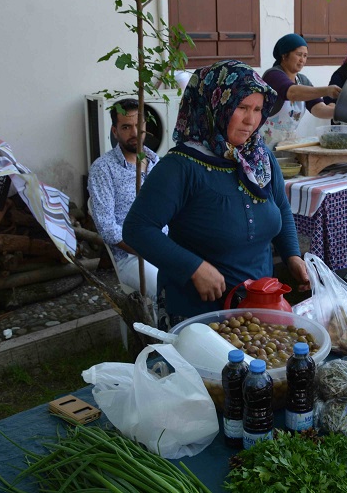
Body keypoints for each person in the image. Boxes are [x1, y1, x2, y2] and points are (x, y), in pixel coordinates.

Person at [123, 60, 309, 330]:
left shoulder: (260, 157)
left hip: (258, 307)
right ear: (214, 107)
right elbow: (137, 228)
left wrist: (292, 256)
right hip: (198, 315)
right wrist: (194, 267)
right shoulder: (181, 166)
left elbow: (280, 207)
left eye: (258, 110)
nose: (251, 120)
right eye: (242, 108)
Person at [87, 98, 161, 310]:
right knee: (168, 288)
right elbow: (108, 229)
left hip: (167, 246)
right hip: (132, 257)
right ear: (115, 130)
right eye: (126, 127)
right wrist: (149, 250)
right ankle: (163, 340)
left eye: (139, 125)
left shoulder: (157, 162)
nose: (135, 132)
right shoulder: (104, 169)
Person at [259, 34, 341, 148]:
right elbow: (292, 92)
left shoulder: (303, 81)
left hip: (288, 145)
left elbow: (319, 109)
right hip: (265, 146)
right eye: (298, 55)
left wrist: (341, 112)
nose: (302, 60)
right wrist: (327, 91)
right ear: (284, 55)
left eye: (305, 56)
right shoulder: (273, 75)